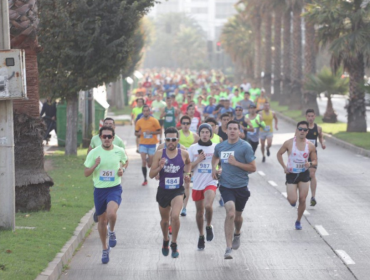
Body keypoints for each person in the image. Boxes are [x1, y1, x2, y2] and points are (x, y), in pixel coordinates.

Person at [211, 120, 256, 259]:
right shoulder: (220, 146)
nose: (232, 131)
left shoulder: (245, 147)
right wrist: (215, 169)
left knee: (237, 216)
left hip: (241, 186)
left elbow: (253, 168)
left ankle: (237, 232)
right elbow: (215, 158)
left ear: (239, 131)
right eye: (229, 128)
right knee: (230, 213)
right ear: (225, 130)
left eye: (235, 129)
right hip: (226, 185)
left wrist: (236, 163)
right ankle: (228, 247)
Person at [84, 126, 127, 264]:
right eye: (104, 136)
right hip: (99, 190)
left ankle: (112, 231)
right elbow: (86, 173)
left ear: (113, 138)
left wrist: (122, 170)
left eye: (109, 136)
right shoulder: (94, 153)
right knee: (101, 221)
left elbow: (125, 162)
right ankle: (104, 248)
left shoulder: (119, 151)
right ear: (100, 138)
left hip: (114, 188)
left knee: (111, 214)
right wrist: (95, 165)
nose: (107, 139)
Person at [149, 127, 191, 258]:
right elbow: (151, 174)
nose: (171, 142)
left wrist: (187, 173)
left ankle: (174, 243)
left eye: (173, 139)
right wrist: (160, 168)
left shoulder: (183, 153)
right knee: (165, 221)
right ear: (165, 140)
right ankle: (166, 239)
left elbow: (188, 164)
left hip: (177, 190)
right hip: (163, 191)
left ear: (177, 140)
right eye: (168, 139)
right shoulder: (159, 154)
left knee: (175, 216)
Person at [276, 121, 317, 230]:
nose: (302, 131)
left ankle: (298, 220)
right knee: (293, 200)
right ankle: (292, 201)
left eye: (304, 129)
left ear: (307, 131)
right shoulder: (289, 143)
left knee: (303, 199)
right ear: (296, 130)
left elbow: (315, 161)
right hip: (291, 174)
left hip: (304, 174)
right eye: (300, 129)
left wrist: (310, 164)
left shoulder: (310, 145)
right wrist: (284, 167)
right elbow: (279, 154)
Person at [188, 124, 218, 250]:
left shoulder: (216, 147)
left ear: (210, 134)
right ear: (199, 134)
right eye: (202, 132)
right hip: (197, 183)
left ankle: (209, 226)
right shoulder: (193, 148)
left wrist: (218, 169)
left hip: (210, 181)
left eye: (207, 132)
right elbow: (188, 166)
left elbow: (220, 162)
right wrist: (197, 161)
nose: (205, 134)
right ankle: (201, 235)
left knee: (208, 206)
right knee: (199, 213)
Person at [178, 115, 199, 216]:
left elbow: (198, 149)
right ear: (181, 124)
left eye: (187, 123)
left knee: (186, 185)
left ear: (190, 125)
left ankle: (184, 208)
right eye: (183, 123)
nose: (185, 125)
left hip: (188, 165)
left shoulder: (195, 136)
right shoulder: (177, 134)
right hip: (177, 163)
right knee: (178, 186)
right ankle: (177, 205)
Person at [135, 105, 161, 186]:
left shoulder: (154, 121)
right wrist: (139, 133)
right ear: (142, 112)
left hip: (152, 143)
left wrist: (152, 133)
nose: (146, 112)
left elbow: (159, 131)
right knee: (143, 161)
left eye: (147, 111)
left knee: (150, 162)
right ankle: (145, 179)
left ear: (149, 111)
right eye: (144, 111)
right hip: (143, 143)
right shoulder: (139, 121)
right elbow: (135, 133)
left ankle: (149, 162)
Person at [305, 109, 326, 206]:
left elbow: (320, 136)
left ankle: (313, 197)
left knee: (312, 174)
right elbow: (295, 138)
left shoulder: (318, 128)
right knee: (304, 176)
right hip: (303, 155)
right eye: (308, 116)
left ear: (314, 117)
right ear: (306, 117)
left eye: (312, 116)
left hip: (313, 154)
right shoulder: (302, 128)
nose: (310, 118)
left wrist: (322, 143)